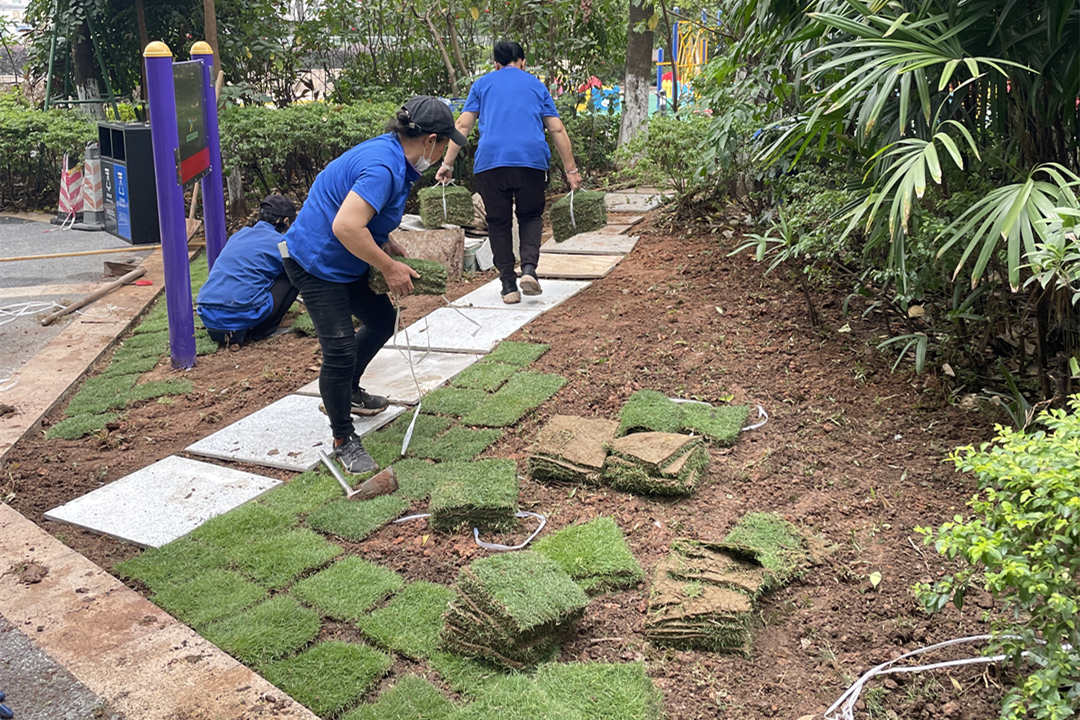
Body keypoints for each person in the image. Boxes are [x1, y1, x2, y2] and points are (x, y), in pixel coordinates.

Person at [282, 96, 467, 474]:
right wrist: (389, 267)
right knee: (339, 347)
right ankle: (343, 438)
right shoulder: (382, 166)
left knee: (381, 320)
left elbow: (367, 218)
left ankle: (348, 392)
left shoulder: (397, 160)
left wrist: (385, 241)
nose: (445, 152)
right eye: (445, 144)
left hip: (345, 260)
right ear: (430, 140)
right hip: (315, 262)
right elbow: (346, 226)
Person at [436, 40, 583, 304]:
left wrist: (446, 164)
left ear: (496, 63)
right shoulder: (536, 86)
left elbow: (463, 125)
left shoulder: (482, 85)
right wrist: (571, 170)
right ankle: (529, 269)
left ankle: (507, 285)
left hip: (492, 162)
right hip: (531, 161)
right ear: (522, 61)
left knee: (498, 222)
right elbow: (557, 129)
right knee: (530, 216)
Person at [197, 194, 299, 347]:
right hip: (240, 316)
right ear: (285, 222)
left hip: (209, 316)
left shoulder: (238, 236)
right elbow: (302, 269)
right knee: (293, 273)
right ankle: (262, 330)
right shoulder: (280, 243)